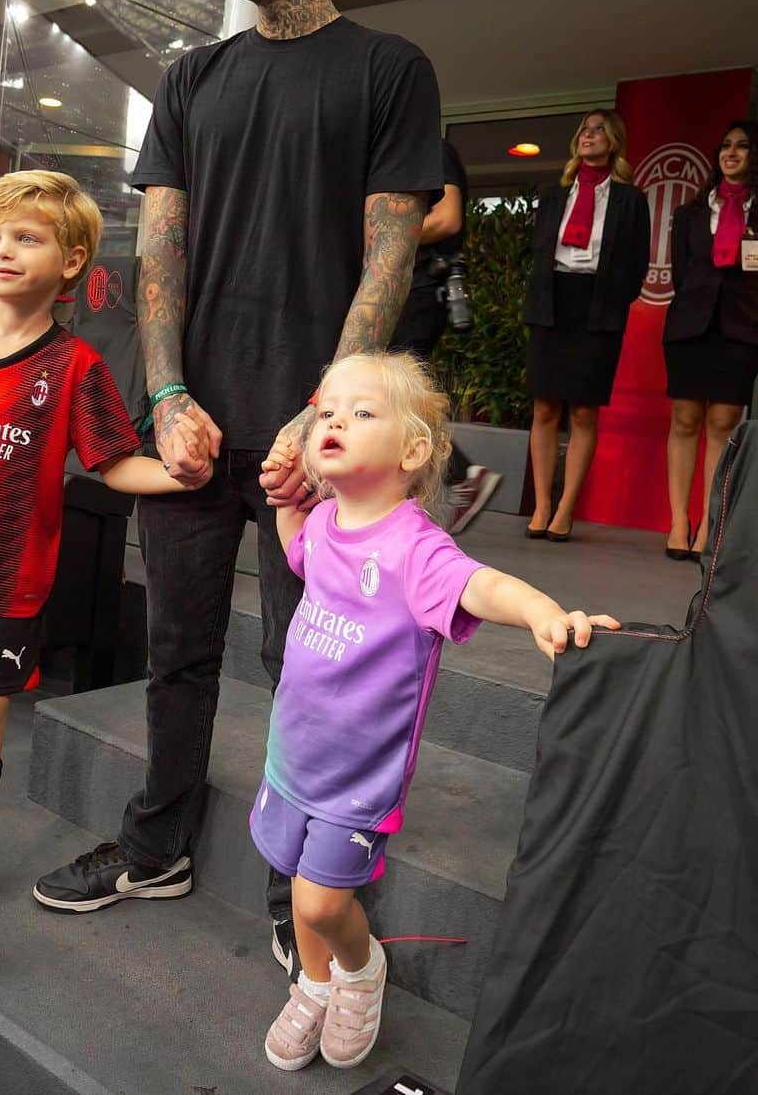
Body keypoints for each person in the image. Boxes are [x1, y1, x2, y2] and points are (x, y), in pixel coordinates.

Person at [33, 0, 443, 980]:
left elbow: (389, 261)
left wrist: (329, 422)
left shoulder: (388, 68)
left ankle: (299, 888)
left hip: (317, 439)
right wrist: (164, 392)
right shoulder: (192, 78)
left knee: (313, 668)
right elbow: (155, 254)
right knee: (177, 650)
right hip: (196, 430)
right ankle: (158, 842)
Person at [0, 170, 208, 1014]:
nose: (2, 251)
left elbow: (112, 464)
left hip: (10, 588)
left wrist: (186, 473)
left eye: (25, 238)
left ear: (72, 261)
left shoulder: (76, 365)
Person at [254, 351, 617, 1072]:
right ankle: (313, 980)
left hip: (358, 778)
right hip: (291, 755)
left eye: (362, 413)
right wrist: (291, 510)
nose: (335, 422)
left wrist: (544, 613)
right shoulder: (325, 522)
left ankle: (357, 969)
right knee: (299, 886)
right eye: (328, 411)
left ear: (412, 451)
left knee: (327, 905)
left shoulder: (416, 548)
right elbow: (301, 555)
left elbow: (482, 585)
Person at [523, 109, 650, 541]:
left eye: (598, 130)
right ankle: (541, 505)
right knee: (544, 407)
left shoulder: (631, 199)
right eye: (583, 130)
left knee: (582, 410)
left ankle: (565, 509)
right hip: (552, 302)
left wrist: (612, 303)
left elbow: (637, 266)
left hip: (597, 306)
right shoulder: (553, 194)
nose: (588, 136)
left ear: (613, 141)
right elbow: (538, 253)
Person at [388, 139, 500, 533]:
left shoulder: (433, 151)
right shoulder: (399, 155)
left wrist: (385, 239)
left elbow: (449, 218)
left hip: (420, 289)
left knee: (394, 393)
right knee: (393, 394)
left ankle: (462, 474)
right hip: (402, 289)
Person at [663, 120, 758, 559]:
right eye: (725, 146)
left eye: (742, 147)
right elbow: (682, 275)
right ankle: (679, 523)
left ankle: (708, 527)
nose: (732, 153)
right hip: (690, 328)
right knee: (684, 420)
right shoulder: (690, 214)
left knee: (723, 424)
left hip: (742, 329)